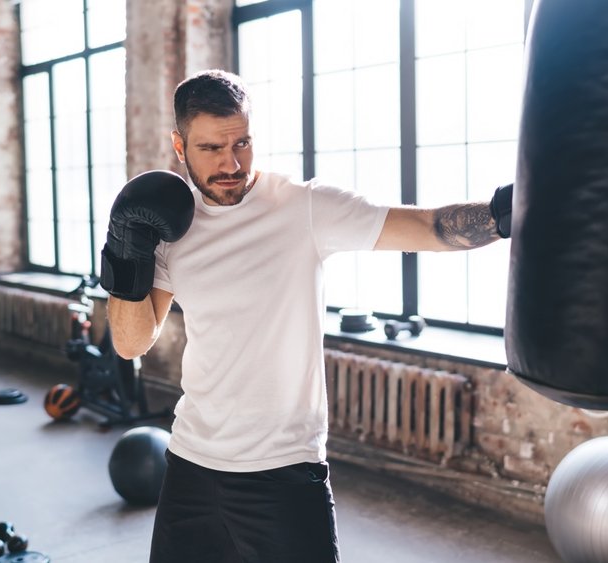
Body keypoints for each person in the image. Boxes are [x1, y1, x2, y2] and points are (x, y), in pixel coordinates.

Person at [100, 69, 512, 563]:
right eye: (212, 148)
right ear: (179, 144)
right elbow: (131, 341)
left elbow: (427, 227)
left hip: (283, 468)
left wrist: (505, 212)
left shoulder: (303, 207)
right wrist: (127, 250)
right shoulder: (171, 226)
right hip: (192, 462)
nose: (232, 163)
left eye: (243, 143)